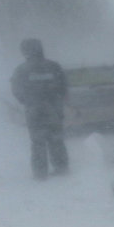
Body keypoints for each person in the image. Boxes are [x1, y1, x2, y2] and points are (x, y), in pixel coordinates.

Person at [11, 38, 69, 180]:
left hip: (34, 111)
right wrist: (56, 100)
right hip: (53, 110)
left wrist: (28, 101)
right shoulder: (54, 66)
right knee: (56, 140)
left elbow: (16, 90)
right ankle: (61, 168)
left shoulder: (21, 70)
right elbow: (63, 86)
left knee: (37, 142)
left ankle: (40, 173)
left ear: (25, 51)